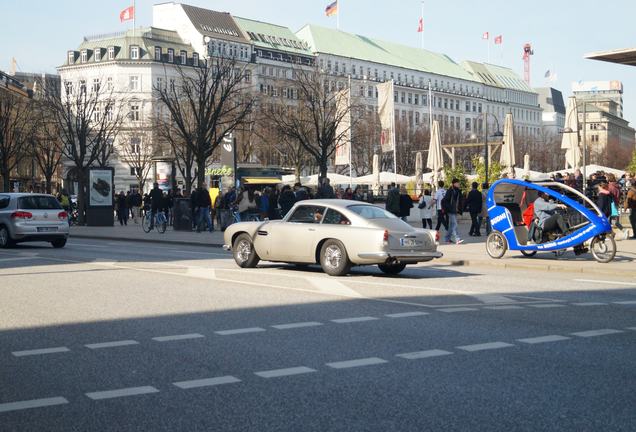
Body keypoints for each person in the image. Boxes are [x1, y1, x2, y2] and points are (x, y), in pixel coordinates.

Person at [441, 178, 464, 244]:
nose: (459, 184)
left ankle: (447, 238)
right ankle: (457, 239)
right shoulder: (450, 191)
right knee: (454, 224)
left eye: (458, 183)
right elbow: (445, 200)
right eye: (457, 183)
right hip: (450, 210)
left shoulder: (458, 191)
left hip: (455, 210)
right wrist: (449, 208)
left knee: (451, 225)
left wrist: (459, 209)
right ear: (454, 184)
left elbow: (460, 201)